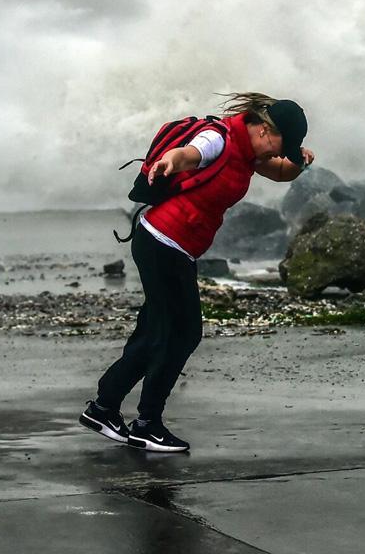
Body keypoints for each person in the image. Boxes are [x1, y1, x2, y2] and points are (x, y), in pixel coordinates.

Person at [80, 92, 314, 452]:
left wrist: (300, 160)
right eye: (287, 143)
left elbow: (283, 173)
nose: (282, 152)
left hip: (173, 246)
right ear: (266, 130)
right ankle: (146, 424)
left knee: (156, 331)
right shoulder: (218, 139)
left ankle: (104, 408)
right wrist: (171, 162)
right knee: (181, 334)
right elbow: (190, 153)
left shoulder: (248, 153)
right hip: (162, 242)